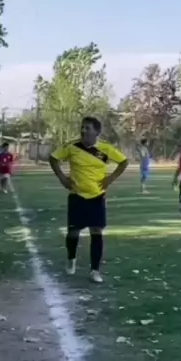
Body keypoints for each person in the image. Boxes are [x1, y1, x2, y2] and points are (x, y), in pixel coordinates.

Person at [48, 116, 128, 283]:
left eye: (88, 128)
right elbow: (53, 158)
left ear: (97, 132)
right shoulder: (72, 147)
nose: (83, 131)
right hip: (77, 196)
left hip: (97, 196)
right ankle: (71, 258)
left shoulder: (105, 149)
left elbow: (123, 162)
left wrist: (110, 179)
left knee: (96, 232)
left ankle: (95, 271)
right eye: (82, 127)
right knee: (73, 232)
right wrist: (62, 178)